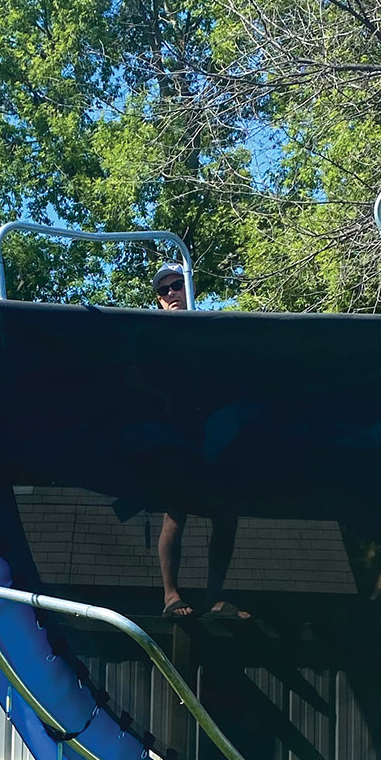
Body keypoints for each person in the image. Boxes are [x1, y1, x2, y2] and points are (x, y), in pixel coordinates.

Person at [151, 263, 250, 620]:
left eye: (177, 285)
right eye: (164, 291)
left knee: (226, 512)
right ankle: (170, 595)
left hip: (214, 432)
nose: (172, 293)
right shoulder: (151, 334)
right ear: (158, 301)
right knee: (176, 510)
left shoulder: (211, 329)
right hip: (176, 434)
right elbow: (139, 382)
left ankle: (215, 597)